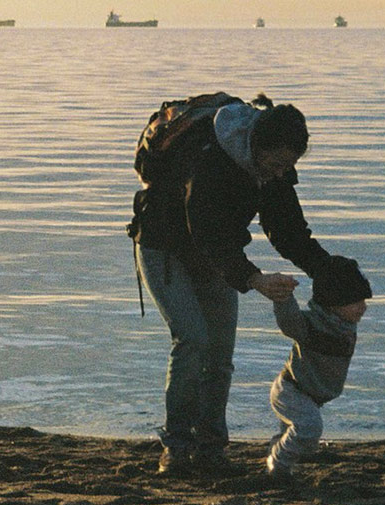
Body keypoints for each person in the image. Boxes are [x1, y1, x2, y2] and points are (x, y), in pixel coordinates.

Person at [130, 93, 338, 475]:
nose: (281, 174)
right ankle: (175, 449)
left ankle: (210, 450)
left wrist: (324, 268)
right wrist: (253, 278)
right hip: (164, 246)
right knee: (192, 339)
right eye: (277, 164)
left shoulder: (273, 167)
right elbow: (206, 232)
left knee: (220, 356)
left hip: (219, 257)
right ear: (257, 146)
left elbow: (287, 229)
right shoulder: (210, 159)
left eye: (288, 166)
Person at [266, 256, 372, 476]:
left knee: (300, 438)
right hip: (292, 390)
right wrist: (283, 297)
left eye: (363, 300)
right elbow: (290, 322)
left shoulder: (345, 326)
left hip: (312, 395)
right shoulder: (313, 324)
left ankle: (277, 452)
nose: (362, 307)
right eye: (355, 302)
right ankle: (277, 467)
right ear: (333, 303)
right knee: (309, 429)